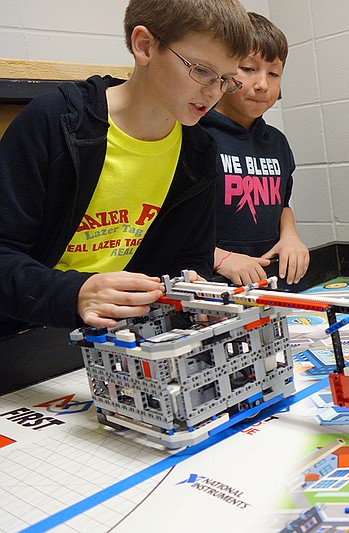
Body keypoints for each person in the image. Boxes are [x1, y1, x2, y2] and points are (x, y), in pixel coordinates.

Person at [0, 0, 253, 393]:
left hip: (116, 347)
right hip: (23, 344)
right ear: (145, 46)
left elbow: (192, 259)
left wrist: (192, 290)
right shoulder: (54, 123)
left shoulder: (198, 151)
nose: (213, 93)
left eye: (225, 80)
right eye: (201, 70)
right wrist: (74, 293)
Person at [200, 12, 309, 288]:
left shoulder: (277, 142)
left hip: (269, 280)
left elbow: (283, 204)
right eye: (248, 69)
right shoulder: (194, 136)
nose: (262, 84)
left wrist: (290, 237)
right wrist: (219, 258)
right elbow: (169, 223)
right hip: (213, 281)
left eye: (273, 73)